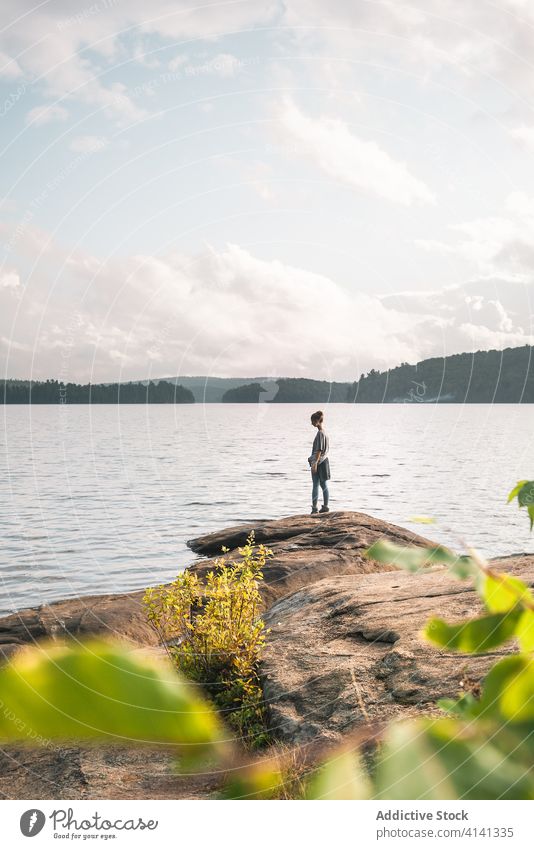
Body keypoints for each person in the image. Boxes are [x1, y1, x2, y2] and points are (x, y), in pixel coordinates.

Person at [308, 410, 330, 515]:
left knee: (315, 485)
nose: (311, 423)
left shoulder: (320, 434)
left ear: (317, 421)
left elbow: (319, 450)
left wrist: (315, 464)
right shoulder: (324, 433)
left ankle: (314, 509)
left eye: (312, 421)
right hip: (324, 461)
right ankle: (325, 506)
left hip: (319, 462)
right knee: (324, 485)